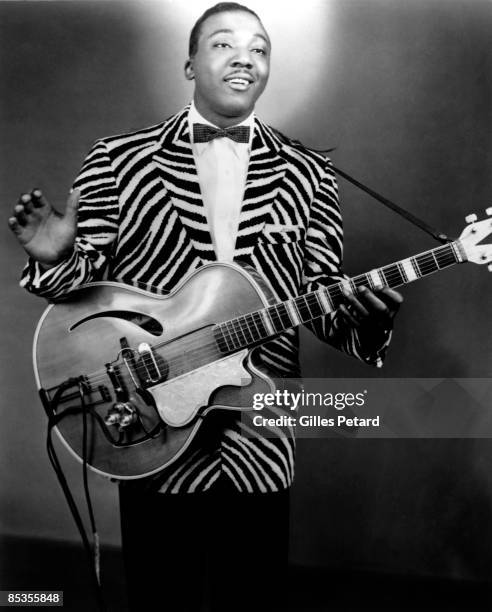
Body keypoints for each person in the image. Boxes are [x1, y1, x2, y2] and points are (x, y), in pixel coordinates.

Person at [9, 3, 403, 610]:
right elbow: (80, 290)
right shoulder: (118, 158)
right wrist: (54, 256)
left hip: (260, 431)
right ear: (188, 63)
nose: (245, 57)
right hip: (150, 421)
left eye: (260, 48)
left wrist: (368, 321)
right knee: (161, 594)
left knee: (253, 595)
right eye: (223, 44)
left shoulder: (311, 173)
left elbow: (321, 301)